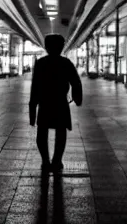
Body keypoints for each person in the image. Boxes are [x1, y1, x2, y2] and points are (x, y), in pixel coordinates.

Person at [29, 34, 82, 173]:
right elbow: (76, 82)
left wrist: (32, 108)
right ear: (62, 46)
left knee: (42, 132)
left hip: (44, 102)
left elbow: (35, 87)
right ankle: (57, 160)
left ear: (46, 47)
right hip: (60, 102)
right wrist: (77, 98)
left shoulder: (41, 63)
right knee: (61, 131)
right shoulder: (66, 63)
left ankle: (45, 161)